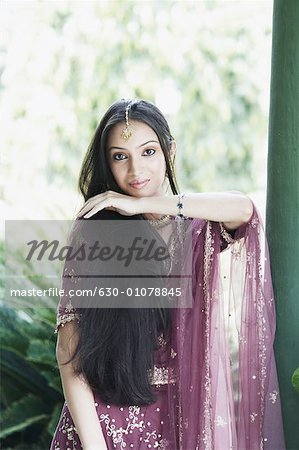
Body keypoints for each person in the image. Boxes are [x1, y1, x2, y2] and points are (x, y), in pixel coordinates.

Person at [50, 99, 285, 450]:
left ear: (170, 152)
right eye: (120, 156)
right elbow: (69, 353)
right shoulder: (94, 234)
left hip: (179, 418)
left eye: (148, 152)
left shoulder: (194, 232)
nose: (135, 170)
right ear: (107, 164)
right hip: (102, 421)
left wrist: (144, 204)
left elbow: (244, 209)